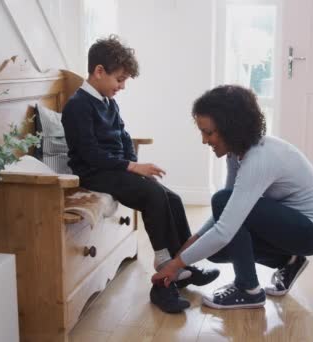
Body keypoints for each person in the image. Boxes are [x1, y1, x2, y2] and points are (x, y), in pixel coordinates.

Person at [61, 35, 219, 314]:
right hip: (93, 173)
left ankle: (184, 266)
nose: (121, 86)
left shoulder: (108, 102)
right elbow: (89, 153)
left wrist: (132, 164)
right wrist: (132, 168)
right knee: (153, 195)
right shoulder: (78, 106)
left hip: (114, 169)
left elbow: (123, 136)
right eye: (119, 79)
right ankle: (162, 282)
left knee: (172, 198)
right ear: (99, 71)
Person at [152, 85, 313, 309]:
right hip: (290, 227)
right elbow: (227, 213)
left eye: (208, 132)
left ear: (231, 129)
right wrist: (189, 247)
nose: (204, 140)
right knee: (217, 251)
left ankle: (248, 289)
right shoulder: (236, 153)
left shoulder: (259, 158)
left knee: (221, 205)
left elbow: (225, 217)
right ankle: (288, 261)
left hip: (311, 231)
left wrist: (174, 265)